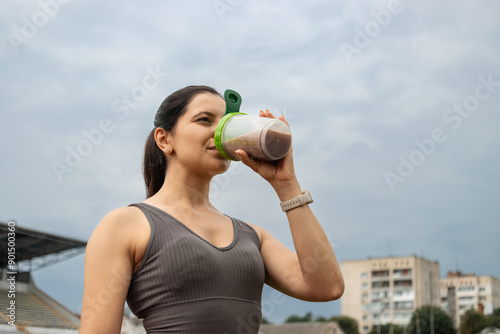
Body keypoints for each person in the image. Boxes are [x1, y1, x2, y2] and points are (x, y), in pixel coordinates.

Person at [79, 85, 344, 334]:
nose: (220, 132)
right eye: (205, 120)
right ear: (164, 139)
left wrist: (287, 185)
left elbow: (327, 286)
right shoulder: (124, 224)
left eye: (228, 122)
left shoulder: (252, 236)